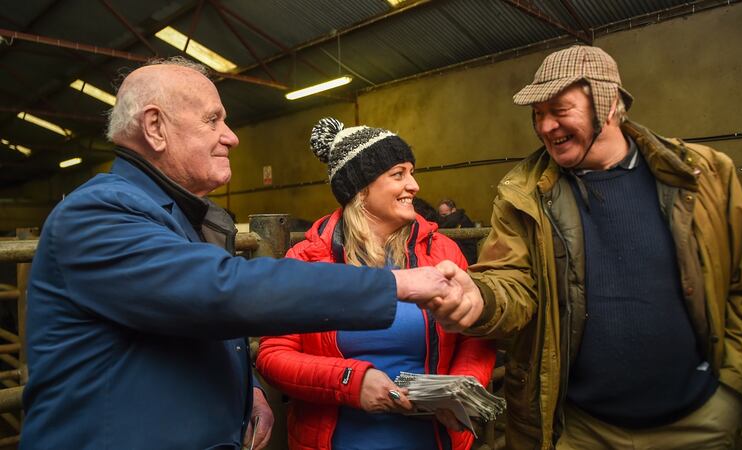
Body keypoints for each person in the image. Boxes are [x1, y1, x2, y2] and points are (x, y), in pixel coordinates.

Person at [21, 58, 480, 449]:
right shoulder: (100, 212)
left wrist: (249, 390)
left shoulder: (179, 216)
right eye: (213, 120)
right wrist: (396, 282)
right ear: (155, 127)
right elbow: (220, 291)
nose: (231, 136)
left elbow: (189, 324)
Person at [438, 46, 742, 449]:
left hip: (699, 424)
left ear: (610, 103)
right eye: (537, 115)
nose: (546, 126)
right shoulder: (525, 194)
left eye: (560, 110)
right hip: (581, 430)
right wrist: (477, 298)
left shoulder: (701, 175)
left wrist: (736, 393)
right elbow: (512, 281)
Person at [256, 118, 495, 450]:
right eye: (398, 174)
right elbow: (274, 354)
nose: (414, 186)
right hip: (341, 441)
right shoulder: (308, 259)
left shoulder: (442, 251)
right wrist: (350, 381)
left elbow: (474, 336)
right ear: (360, 188)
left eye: (411, 172)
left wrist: (463, 389)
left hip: (433, 440)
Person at [436, 198, 478, 264]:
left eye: (445, 215)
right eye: (440, 215)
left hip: (465, 256)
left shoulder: (461, 220)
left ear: (453, 210)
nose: (442, 218)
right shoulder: (461, 218)